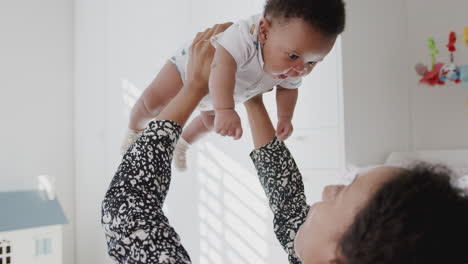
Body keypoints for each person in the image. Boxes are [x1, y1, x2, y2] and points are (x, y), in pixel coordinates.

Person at [102, 25, 468, 264]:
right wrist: (253, 94)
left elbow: (126, 212)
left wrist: (195, 87)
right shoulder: (318, 251)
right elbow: (289, 205)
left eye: (340, 195)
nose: (328, 187)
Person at [121, 0, 346, 171]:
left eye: (313, 61)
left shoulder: (293, 62)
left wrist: (285, 117)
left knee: (208, 123)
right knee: (153, 104)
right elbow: (222, 66)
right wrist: (225, 110)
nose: (302, 68)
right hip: (190, 69)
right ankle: (134, 128)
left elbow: (289, 88)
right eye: (294, 56)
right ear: (264, 31)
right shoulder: (245, 35)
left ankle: (182, 144)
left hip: (230, 92)